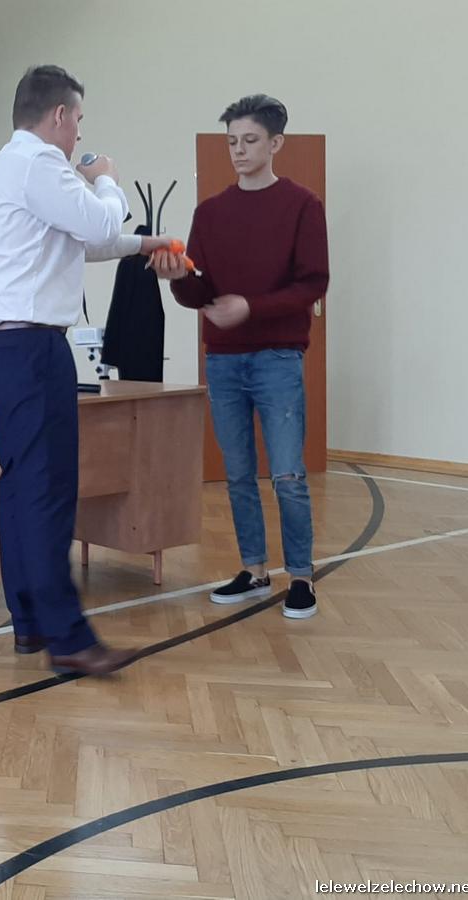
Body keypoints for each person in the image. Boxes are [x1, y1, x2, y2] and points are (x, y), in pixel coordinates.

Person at [0, 65, 176, 676]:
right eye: (78, 119)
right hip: (32, 350)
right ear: (59, 114)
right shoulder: (41, 162)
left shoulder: (8, 164)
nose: (80, 133)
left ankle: (31, 623)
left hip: (0, 347)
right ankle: (68, 639)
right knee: (49, 494)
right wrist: (106, 177)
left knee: (20, 489)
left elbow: (85, 242)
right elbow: (100, 220)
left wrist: (146, 244)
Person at [151, 94, 329, 620]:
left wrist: (250, 307)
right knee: (237, 474)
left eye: (250, 140)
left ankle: (301, 577)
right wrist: (177, 278)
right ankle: (254, 570)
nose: (239, 150)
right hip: (224, 360)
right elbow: (199, 292)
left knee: (288, 475)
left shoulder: (303, 205)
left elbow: (313, 284)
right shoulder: (210, 212)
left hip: (278, 359)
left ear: (276, 143)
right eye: (232, 141)